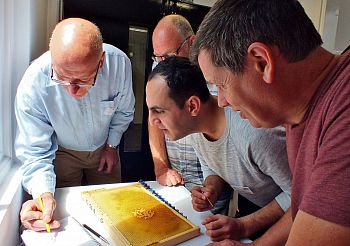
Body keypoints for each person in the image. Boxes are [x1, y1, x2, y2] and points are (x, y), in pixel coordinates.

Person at [191, 0, 350, 245]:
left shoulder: (343, 108)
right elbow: (305, 210)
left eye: (222, 85)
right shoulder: (298, 112)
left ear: (262, 62)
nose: (221, 102)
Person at [146, 56, 291, 242]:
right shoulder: (194, 127)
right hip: (257, 207)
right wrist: (211, 188)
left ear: (192, 106)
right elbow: (212, 165)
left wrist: (245, 225)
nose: (151, 121)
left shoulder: (254, 134)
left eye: (159, 111)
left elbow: (300, 196)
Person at [16, 18, 135, 231]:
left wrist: (111, 145)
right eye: (61, 78)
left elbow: (124, 111)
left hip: (104, 147)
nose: (72, 91)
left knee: (115, 218)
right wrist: (44, 195)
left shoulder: (119, 64)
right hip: (61, 152)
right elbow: (35, 151)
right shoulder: (33, 82)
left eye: (82, 80)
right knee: (64, 220)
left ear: (101, 62)